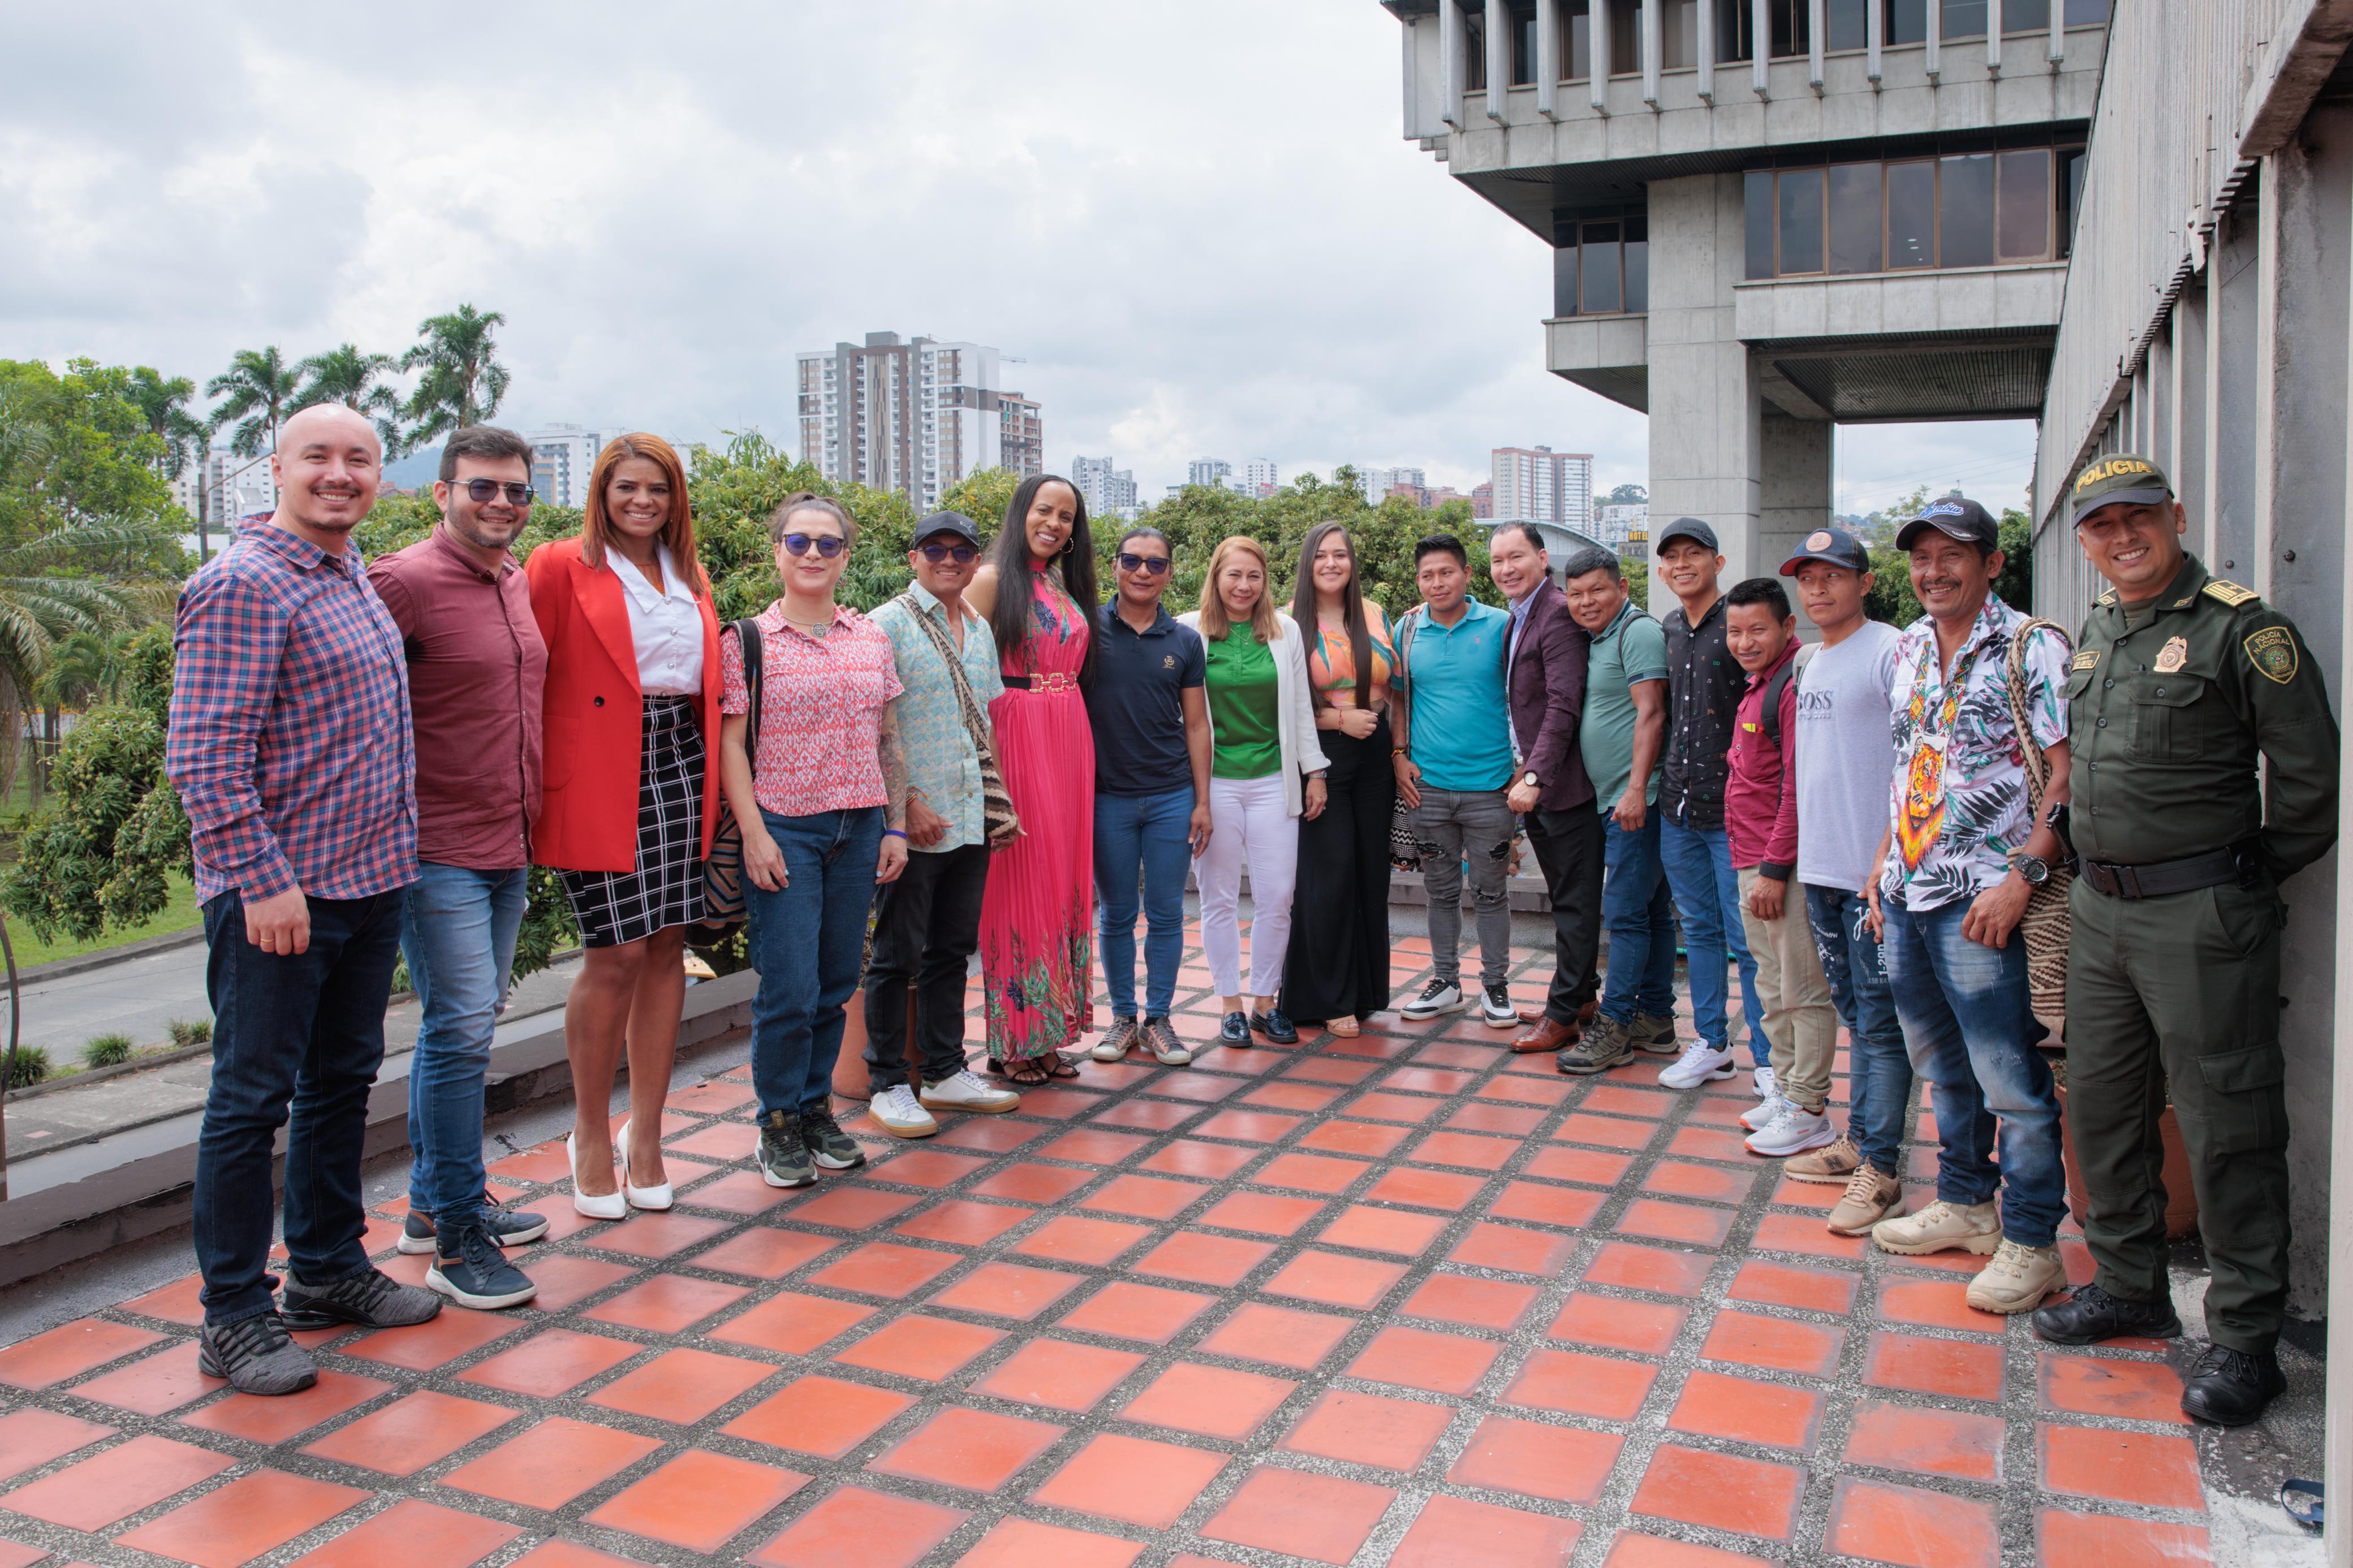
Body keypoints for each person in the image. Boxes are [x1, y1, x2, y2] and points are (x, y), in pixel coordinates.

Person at [2030, 455, 2341, 1426]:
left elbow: (2310, 784)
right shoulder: (2098, 630)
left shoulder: (2245, 628)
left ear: (2176, 514)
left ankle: (2246, 1336)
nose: (2121, 536)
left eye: (2139, 517)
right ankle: (2128, 1281)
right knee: (2107, 1104)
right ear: (2083, 538)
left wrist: (2235, 884)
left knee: (2228, 1123)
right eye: (2101, 523)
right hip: (2101, 908)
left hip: (2200, 915)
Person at [166, 403, 441, 1396]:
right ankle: (234, 1314)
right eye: (318, 457)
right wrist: (263, 878)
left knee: (340, 1078)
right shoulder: (242, 583)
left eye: (358, 458)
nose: (340, 473)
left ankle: (325, 1268)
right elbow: (203, 756)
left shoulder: (349, 572)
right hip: (283, 895)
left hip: (370, 879)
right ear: (276, 468)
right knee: (249, 1100)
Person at [1863, 496, 2073, 1316]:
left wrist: (2024, 875)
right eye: (1921, 557)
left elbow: (2066, 775)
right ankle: (1965, 1202)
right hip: (1909, 891)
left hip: (1984, 900)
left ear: (1992, 562)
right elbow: (1908, 765)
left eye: (1954, 555)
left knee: (2008, 1078)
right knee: (1940, 1068)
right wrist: (1884, 868)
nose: (1933, 572)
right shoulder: (1910, 646)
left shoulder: (2032, 646)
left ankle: (2032, 1241)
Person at [367, 425, 548, 1312]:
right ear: (442, 492)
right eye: (483, 488)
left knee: (465, 1025)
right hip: (435, 849)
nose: (502, 505)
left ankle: (437, 1206)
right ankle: (456, 1242)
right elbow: (354, 707)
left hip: (507, 843)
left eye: (516, 491)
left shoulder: (514, 579)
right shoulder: (401, 581)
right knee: (461, 1031)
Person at [527, 434, 722, 1220]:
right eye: (627, 488)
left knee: (672, 944)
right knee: (616, 953)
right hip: (603, 770)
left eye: (659, 490)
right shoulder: (558, 564)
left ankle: (647, 1134)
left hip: (682, 759)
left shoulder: (690, 573)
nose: (643, 502)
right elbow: (526, 668)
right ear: (600, 494)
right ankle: (587, 1132)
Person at [719, 494, 910, 1184]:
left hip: (858, 826)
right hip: (786, 831)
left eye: (828, 544)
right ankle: (777, 1122)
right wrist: (754, 834)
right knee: (789, 987)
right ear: (777, 551)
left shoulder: (870, 638)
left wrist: (892, 824)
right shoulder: (747, 640)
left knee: (834, 982)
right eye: (798, 542)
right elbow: (731, 746)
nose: (812, 555)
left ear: (846, 558)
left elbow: (887, 735)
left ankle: (814, 1108)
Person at [861, 512, 1026, 1137]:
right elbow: (874, 727)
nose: (949, 559)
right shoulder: (886, 625)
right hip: (916, 820)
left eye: (962, 550)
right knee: (895, 953)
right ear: (913, 557)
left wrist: (998, 803)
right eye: (936, 548)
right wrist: (903, 807)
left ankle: (943, 1070)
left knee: (952, 950)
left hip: (968, 815)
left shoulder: (979, 627)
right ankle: (884, 1081)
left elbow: (982, 726)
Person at [1780, 526, 1910, 1234]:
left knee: (1883, 1025)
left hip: (1872, 874)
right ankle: (1859, 1141)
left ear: (1863, 580)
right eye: (1807, 578)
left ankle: (1881, 1169)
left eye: (1832, 575)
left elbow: (1912, 758)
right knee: (1856, 1016)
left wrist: (1885, 860)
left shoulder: (1889, 650)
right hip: (1822, 867)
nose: (1818, 588)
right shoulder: (1810, 662)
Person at [967, 475, 1100, 1083]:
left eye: (1066, 515)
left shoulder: (1059, 582)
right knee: (1021, 879)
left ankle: (1050, 1033)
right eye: (1044, 510)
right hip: (1018, 730)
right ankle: (1012, 1040)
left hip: (1068, 731)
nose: (1054, 522)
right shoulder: (994, 578)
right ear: (1022, 512)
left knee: (1062, 879)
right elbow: (959, 656)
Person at [1179, 535, 1329, 1046]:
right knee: (1217, 897)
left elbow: (1302, 710)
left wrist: (1316, 772)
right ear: (1215, 577)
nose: (1243, 586)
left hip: (1272, 781)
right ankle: (1229, 1004)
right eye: (1233, 575)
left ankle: (1266, 1000)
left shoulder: (1284, 631)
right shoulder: (1188, 631)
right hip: (1213, 784)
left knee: (1278, 895)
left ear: (1266, 581)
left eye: (1254, 576)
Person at [1652, 520, 1772, 1095]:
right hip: (1678, 807)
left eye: (1693, 554)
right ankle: (1711, 1044)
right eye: (1671, 557)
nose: (1682, 564)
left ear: (1716, 563)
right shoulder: (1668, 628)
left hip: (1735, 813)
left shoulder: (1740, 627)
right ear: (1661, 571)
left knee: (1747, 938)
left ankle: (1770, 1062)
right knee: (1697, 929)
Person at [1721, 577, 1838, 1157]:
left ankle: (1810, 1107)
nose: (1743, 641)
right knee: (1769, 984)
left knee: (1802, 987)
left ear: (1788, 628)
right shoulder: (1758, 684)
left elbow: (1796, 784)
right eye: (1734, 631)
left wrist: (1772, 867)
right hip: (1749, 857)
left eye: (1756, 629)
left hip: (1780, 864)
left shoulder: (1792, 687)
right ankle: (1788, 1091)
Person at [1086, 525, 1210, 1068]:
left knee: (1165, 913)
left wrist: (1202, 800)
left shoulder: (1184, 640)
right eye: (1132, 560)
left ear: (1170, 574)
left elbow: (1197, 725)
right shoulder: (1086, 628)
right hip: (1105, 796)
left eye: (1155, 564)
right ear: (1114, 565)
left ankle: (1159, 1019)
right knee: (1115, 913)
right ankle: (1122, 1017)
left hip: (1170, 795)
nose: (1143, 571)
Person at [1550, 548, 1675, 1075]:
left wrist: (1635, 788)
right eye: (1576, 593)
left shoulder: (1637, 631)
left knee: (1623, 912)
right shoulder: (1603, 636)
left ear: (1621, 587)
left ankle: (1616, 1027)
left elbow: (1653, 713)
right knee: (1648, 912)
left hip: (1636, 801)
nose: (1586, 602)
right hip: (1617, 799)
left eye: (1597, 590)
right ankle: (1656, 1018)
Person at [1390, 534, 1518, 1029]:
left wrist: (1521, 768)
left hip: (1492, 788)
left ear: (1467, 573)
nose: (1437, 582)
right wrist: (1399, 756)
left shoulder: (1502, 626)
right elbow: (1400, 701)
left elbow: (1524, 698)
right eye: (1427, 575)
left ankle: (1496, 984)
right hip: (1429, 788)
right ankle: (1446, 981)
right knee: (1439, 890)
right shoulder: (1407, 629)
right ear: (1418, 581)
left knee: (1491, 892)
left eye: (1447, 572)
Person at [1484, 524, 1598, 1059]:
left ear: (1542, 557)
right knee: (1565, 898)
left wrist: (1534, 775)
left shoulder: (1556, 613)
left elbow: (1563, 704)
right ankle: (1577, 999)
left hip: (1564, 786)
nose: (1506, 569)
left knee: (1575, 903)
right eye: (1497, 560)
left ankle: (1565, 1014)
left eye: (1517, 557)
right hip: (1541, 783)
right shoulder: (1519, 616)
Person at [1282, 522, 1398, 1035]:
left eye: (1341, 555)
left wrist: (1397, 750)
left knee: (1371, 873)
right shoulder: (1289, 622)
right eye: (1322, 556)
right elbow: (1281, 703)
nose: (1332, 564)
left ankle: (1366, 990)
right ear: (1308, 563)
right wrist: (1337, 721)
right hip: (1323, 752)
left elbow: (1396, 687)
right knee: (1328, 875)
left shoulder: (1373, 613)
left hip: (1375, 752)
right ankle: (1326, 996)